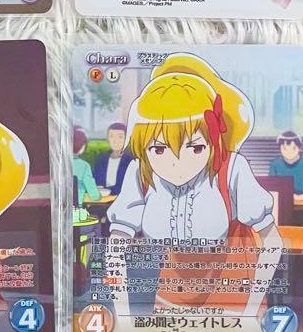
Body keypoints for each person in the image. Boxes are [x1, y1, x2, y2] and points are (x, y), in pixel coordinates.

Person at [105, 53, 282, 316]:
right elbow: (116, 245)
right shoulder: (141, 173)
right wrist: (122, 316)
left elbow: (272, 241)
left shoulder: (231, 169)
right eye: (159, 149)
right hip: (172, 292)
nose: (177, 164)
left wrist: (252, 308)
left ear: (213, 141)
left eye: (196, 148)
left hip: (233, 291)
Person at [91, 123, 131, 196]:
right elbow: (95, 179)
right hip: (102, 198)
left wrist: (108, 191)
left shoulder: (130, 161)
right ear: (108, 138)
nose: (115, 141)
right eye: (111, 136)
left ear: (126, 139)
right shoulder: (101, 159)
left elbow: (128, 186)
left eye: (120, 137)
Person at [268, 131, 303, 196]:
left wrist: (299, 198)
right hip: (282, 200)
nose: (289, 152)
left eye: (293, 148)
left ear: (299, 148)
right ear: (280, 149)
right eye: (284, 148)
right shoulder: (275, 165)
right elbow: (271, 190)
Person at [72, 127, 101, 206]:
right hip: (77, 210)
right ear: (83, 146)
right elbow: (94, 195)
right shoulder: (84, 166)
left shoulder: (59, 164)